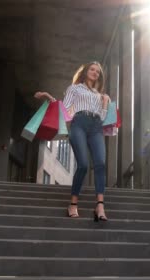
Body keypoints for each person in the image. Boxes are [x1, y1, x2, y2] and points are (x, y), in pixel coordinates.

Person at [34, 61, 110, 221]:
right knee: (83, 164)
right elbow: (65, 109)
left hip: (96, 126)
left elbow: (103, 119)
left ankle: (100, 205)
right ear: (86, 71)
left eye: (98, 71)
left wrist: (104, 104)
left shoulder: (99, 95)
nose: (95, 72)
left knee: (100, 163)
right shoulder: (74, 88)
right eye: (92, 69)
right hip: (79, 125)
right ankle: (73, 204)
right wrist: (49, 98)